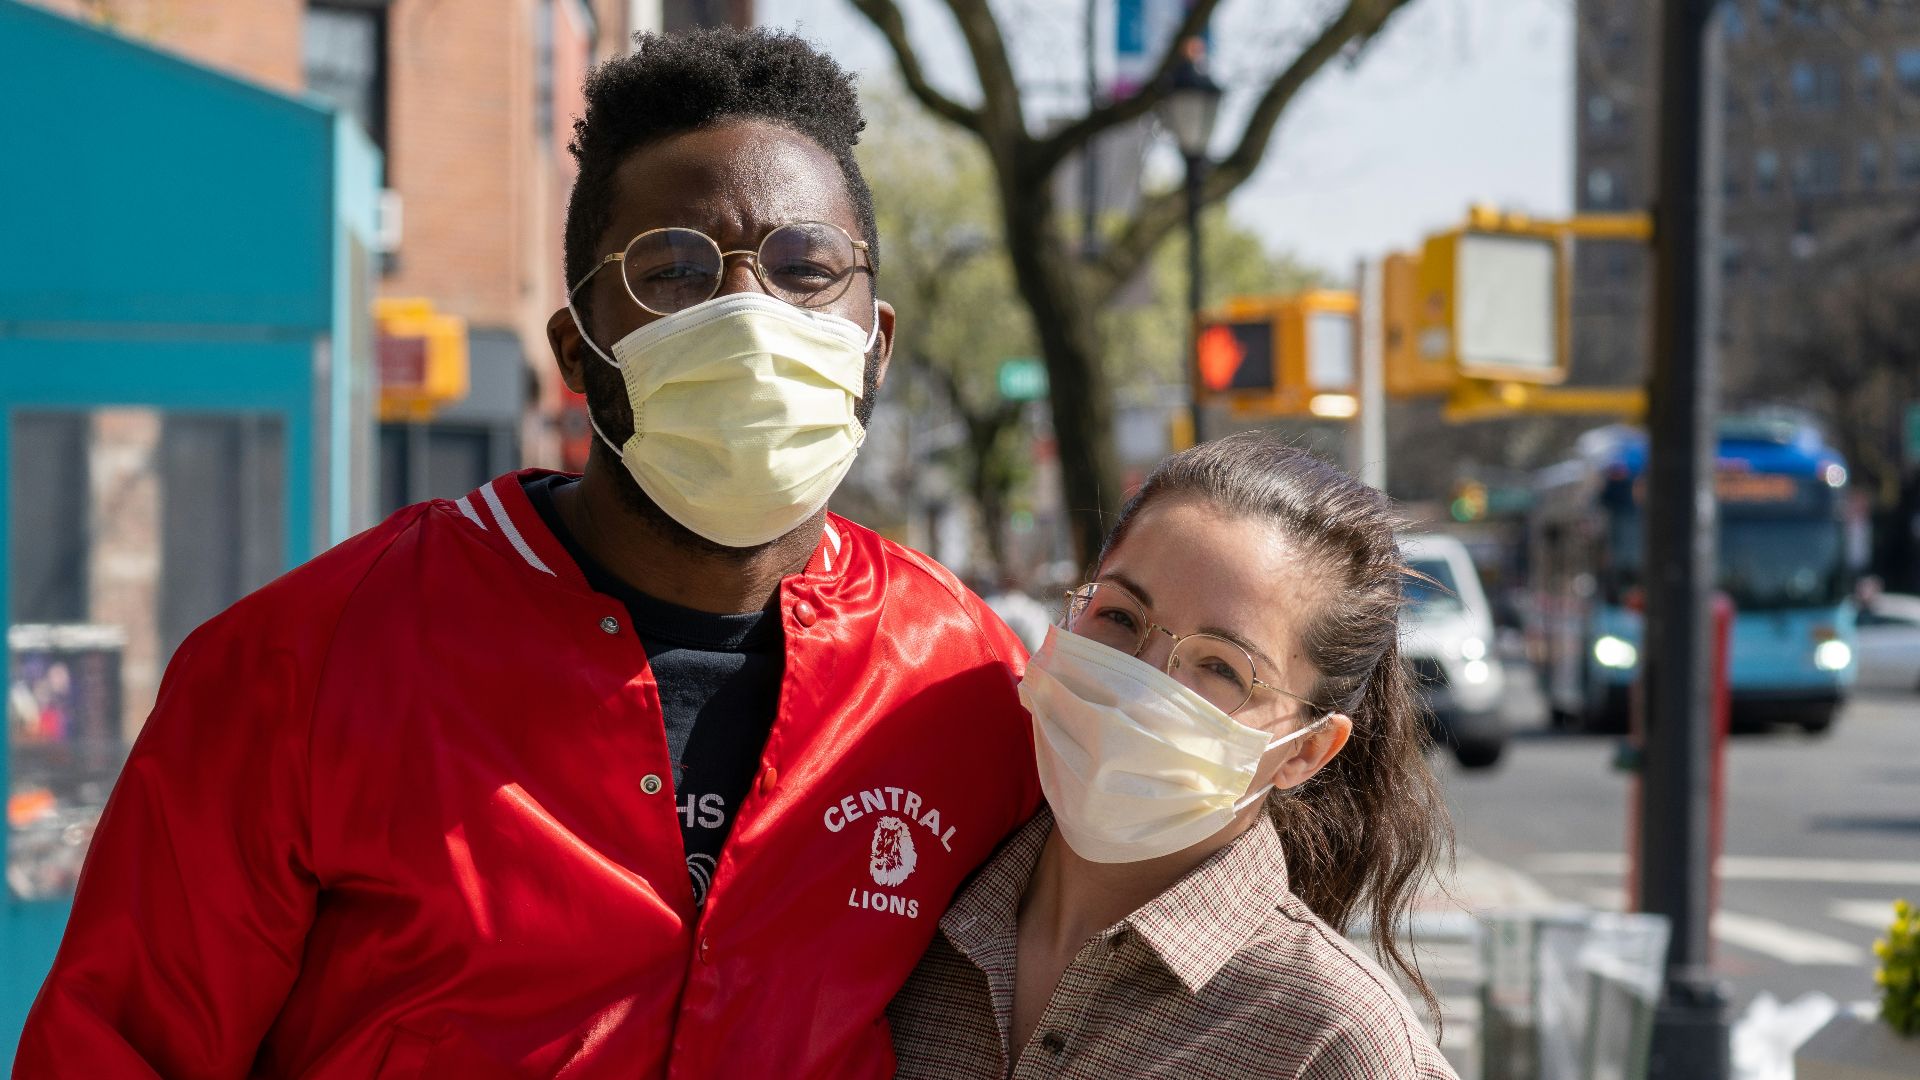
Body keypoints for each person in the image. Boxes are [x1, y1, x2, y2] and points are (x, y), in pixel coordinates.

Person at [18, 28, 1039, 1079]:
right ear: (575, 350)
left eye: (807, 268)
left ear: (876, 342)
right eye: (675, 271)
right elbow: (112, 1048)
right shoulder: (306, 666)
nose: (750, 318)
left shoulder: (965, 682)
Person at [889, 435, 1458, 1079]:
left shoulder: (1332, 1042)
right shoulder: (900, 908)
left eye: (1221, 666)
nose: (1143, 683)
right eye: (1121, 617)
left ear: (1306, 750)